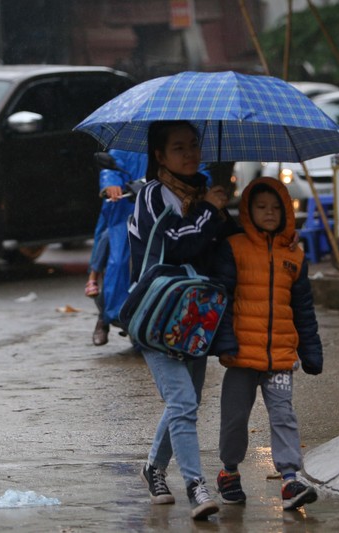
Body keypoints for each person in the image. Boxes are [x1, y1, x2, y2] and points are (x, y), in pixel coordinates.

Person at [128, 120, 236, 520]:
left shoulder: (204, 197)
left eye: (194, 145)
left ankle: (154, 468)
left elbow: (220, 251)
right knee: (183, 401)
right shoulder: (153, 197)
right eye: (178, 148)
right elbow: (176, 246)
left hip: (195, 317)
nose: (190, 154)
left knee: (184, 401)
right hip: (156, 315)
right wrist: (210, 210)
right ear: (159, 155)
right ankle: (196, 485)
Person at [210, 177, 323, 511]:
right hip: (241, 356)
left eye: (276, 207)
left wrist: (311, 352)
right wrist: (225, 342)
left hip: (281, 358)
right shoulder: (234, 247)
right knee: (234, 418)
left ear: (287, 211)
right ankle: (229, 471)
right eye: (261, 207)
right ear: (248, 211)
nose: (269, 213)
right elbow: (223, 299)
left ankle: (290, 480)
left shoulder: (295, 256)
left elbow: (303, 309)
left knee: (283, 415)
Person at [87, 149, 147, 346]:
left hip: (161, 213)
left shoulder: (173, 138)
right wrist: (110, 184)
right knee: (117, 260)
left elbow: (198, 171)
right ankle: (104, 317)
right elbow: (111, 168)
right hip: (122, 211)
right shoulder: (125, 143)